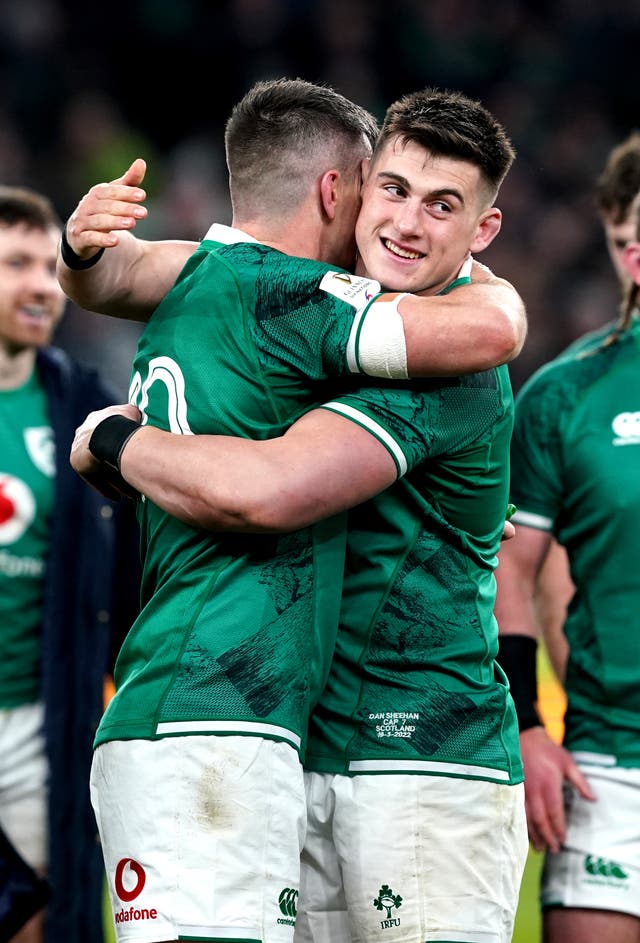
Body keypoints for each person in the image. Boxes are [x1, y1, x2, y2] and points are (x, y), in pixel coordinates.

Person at [60, 79, 527, 943]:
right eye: (391, 189)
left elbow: (273, 487)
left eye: (443, 206)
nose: (406, 223)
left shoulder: (437, 351)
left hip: (421, 749)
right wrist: (84, 259)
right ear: (346, 191)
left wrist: (111, 441)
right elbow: (157, 268)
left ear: (481, 230)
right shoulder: (314, 306)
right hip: (285, 735)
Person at [494, 132, 640, 943]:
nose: (635, 258)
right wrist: (527, 726)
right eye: (624, 241)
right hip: (607, 766)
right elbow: (510, 568)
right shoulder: (564, 395)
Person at [0, 185, 140, 943]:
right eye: (16, 262)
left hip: (39, 727)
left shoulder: (88, 407)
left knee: (39, 922)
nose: (39, 283)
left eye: (46, 263)